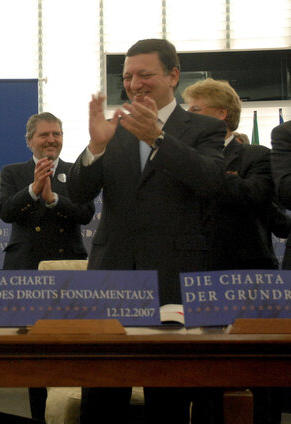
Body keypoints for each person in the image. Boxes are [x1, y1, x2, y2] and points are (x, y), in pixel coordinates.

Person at [67, 39, 225, 424]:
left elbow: (210, 181)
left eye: (145, 74)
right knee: (103, 392)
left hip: (173, 275)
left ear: (173, 76)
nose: (135, 84)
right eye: (127, 77)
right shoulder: (113, 127)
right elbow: (78, 194)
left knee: (166, 396)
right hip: (112, 274)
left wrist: (158, 137)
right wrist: (96, 148)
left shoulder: (203, 128)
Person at [183, 78, 280, 424]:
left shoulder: (257, 155)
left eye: (195, 110)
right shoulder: (185, 158)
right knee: (206, 372)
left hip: (250, 277)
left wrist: (206, 170)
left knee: (260, 373)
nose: (188, 116)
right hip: (201, 278)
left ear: (221, 114)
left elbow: (254, 195)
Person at [0, 112, 94, 423]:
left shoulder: (76, 172)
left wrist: (53, 199)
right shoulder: (12, 172)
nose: (51, 139)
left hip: (70, 270)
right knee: (34, 354)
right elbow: (5, 212)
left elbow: (86, 213)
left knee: (74, 349)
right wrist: (33, 190)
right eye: (44, 135)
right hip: (26, 270)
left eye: (56, 134)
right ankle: (40, 415)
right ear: (29, 141)